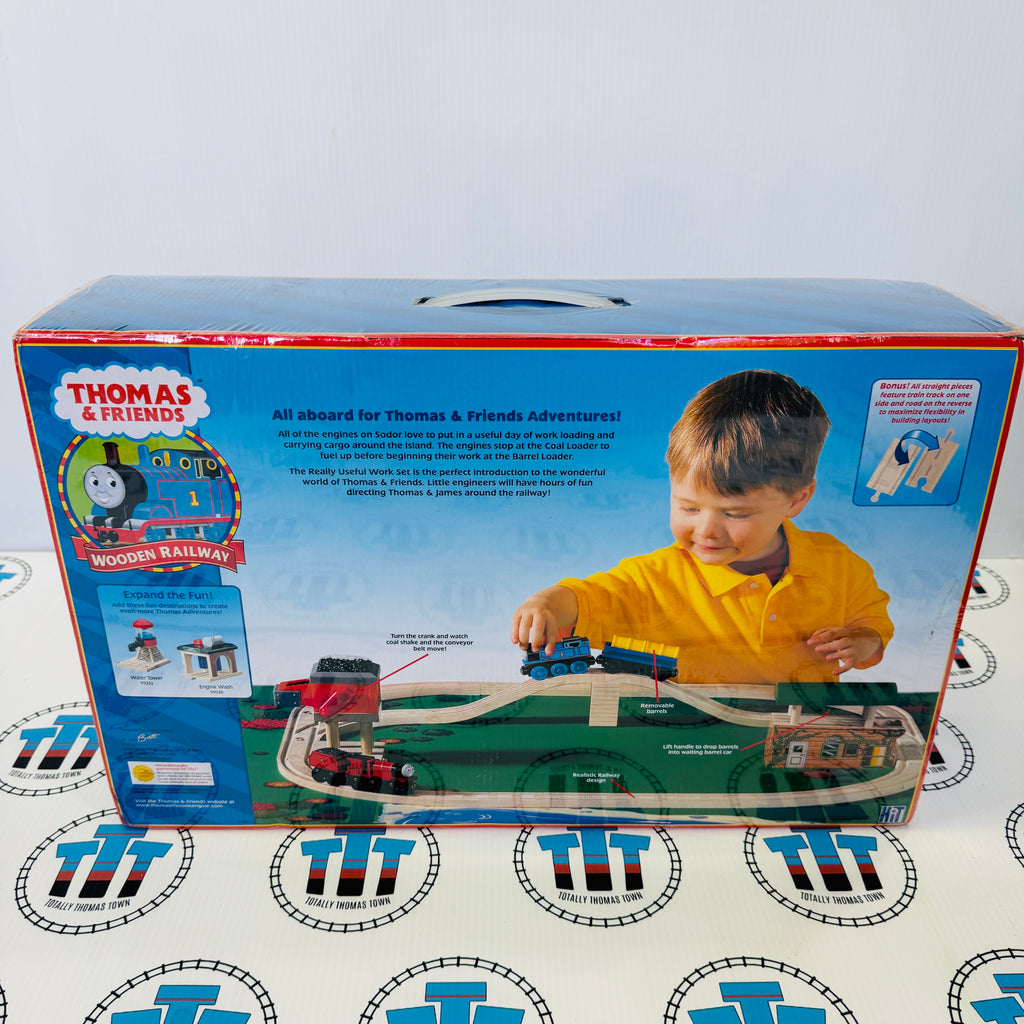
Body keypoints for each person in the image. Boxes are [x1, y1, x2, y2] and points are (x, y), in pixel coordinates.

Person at [510, 370, 892, 685]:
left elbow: (872, 623)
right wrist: (547, 603)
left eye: (735, 514)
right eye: (689, 507)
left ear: (797, 499)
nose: (707, 531)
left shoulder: (837, 563)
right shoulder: (655, 579)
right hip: (694, 737)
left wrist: (863, 641)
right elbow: (590, 597)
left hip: (802, 726)